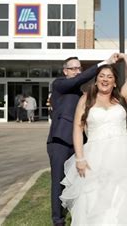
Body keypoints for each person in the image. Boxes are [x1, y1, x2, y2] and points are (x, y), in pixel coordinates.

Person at [60, 53, 127, 225]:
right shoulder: (86, 99)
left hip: (124, 155)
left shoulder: (121, 97)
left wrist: (125, 57)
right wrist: (80, 158)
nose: (105, 80)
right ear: (96, 80)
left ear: (115, 82)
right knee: (96, 196)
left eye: (109, 77)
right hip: (95, 157)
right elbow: (77, 129)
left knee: (125, 195)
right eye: (101, 76)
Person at [47, 53, 119, 226]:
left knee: (83, 179)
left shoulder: (80, 94)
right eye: (73, 68)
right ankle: (58, 220)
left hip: (79, 142)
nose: (77, 71)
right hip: (59, 141)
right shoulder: (59, 85)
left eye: (79, 68)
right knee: (58, 181)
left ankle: (84, 213)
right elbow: (77, 81)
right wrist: (105, 63)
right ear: (65, 71)